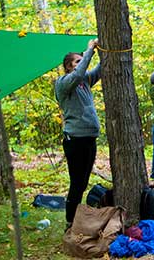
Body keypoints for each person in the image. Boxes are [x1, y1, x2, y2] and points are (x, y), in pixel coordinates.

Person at [55, 38, 102, 230]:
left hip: (89, 138)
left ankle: (77, 219)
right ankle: (69, 222)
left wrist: (104, 51)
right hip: (75, 140)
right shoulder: (64, 83)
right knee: (76, 183)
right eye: (77, 60)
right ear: (68, 66)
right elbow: (80, 72)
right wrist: (89, 50)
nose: (80, 62)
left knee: (83, 183)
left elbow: (99, 70)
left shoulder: (84, 81)